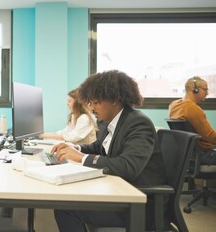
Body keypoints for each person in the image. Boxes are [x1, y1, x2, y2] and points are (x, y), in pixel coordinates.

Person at [51, 70, 166, 232]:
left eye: (95, 102)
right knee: (70, 198)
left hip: (140, 203)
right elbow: (99, 147)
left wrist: (81, 158)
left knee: (66, 208)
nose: (91, 107)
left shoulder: (138, 123)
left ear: (114, 99)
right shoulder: (109, 122)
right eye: (89, 102)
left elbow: (128, 167)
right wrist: (75, 148)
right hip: (120, 191)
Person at [169, 76, 216, 165]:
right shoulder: (192, 108)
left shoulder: (174, 105)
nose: (207, 93)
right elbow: (210, 136)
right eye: (205, 90)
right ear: (195, 90)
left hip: (189, 155)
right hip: (205, 154)